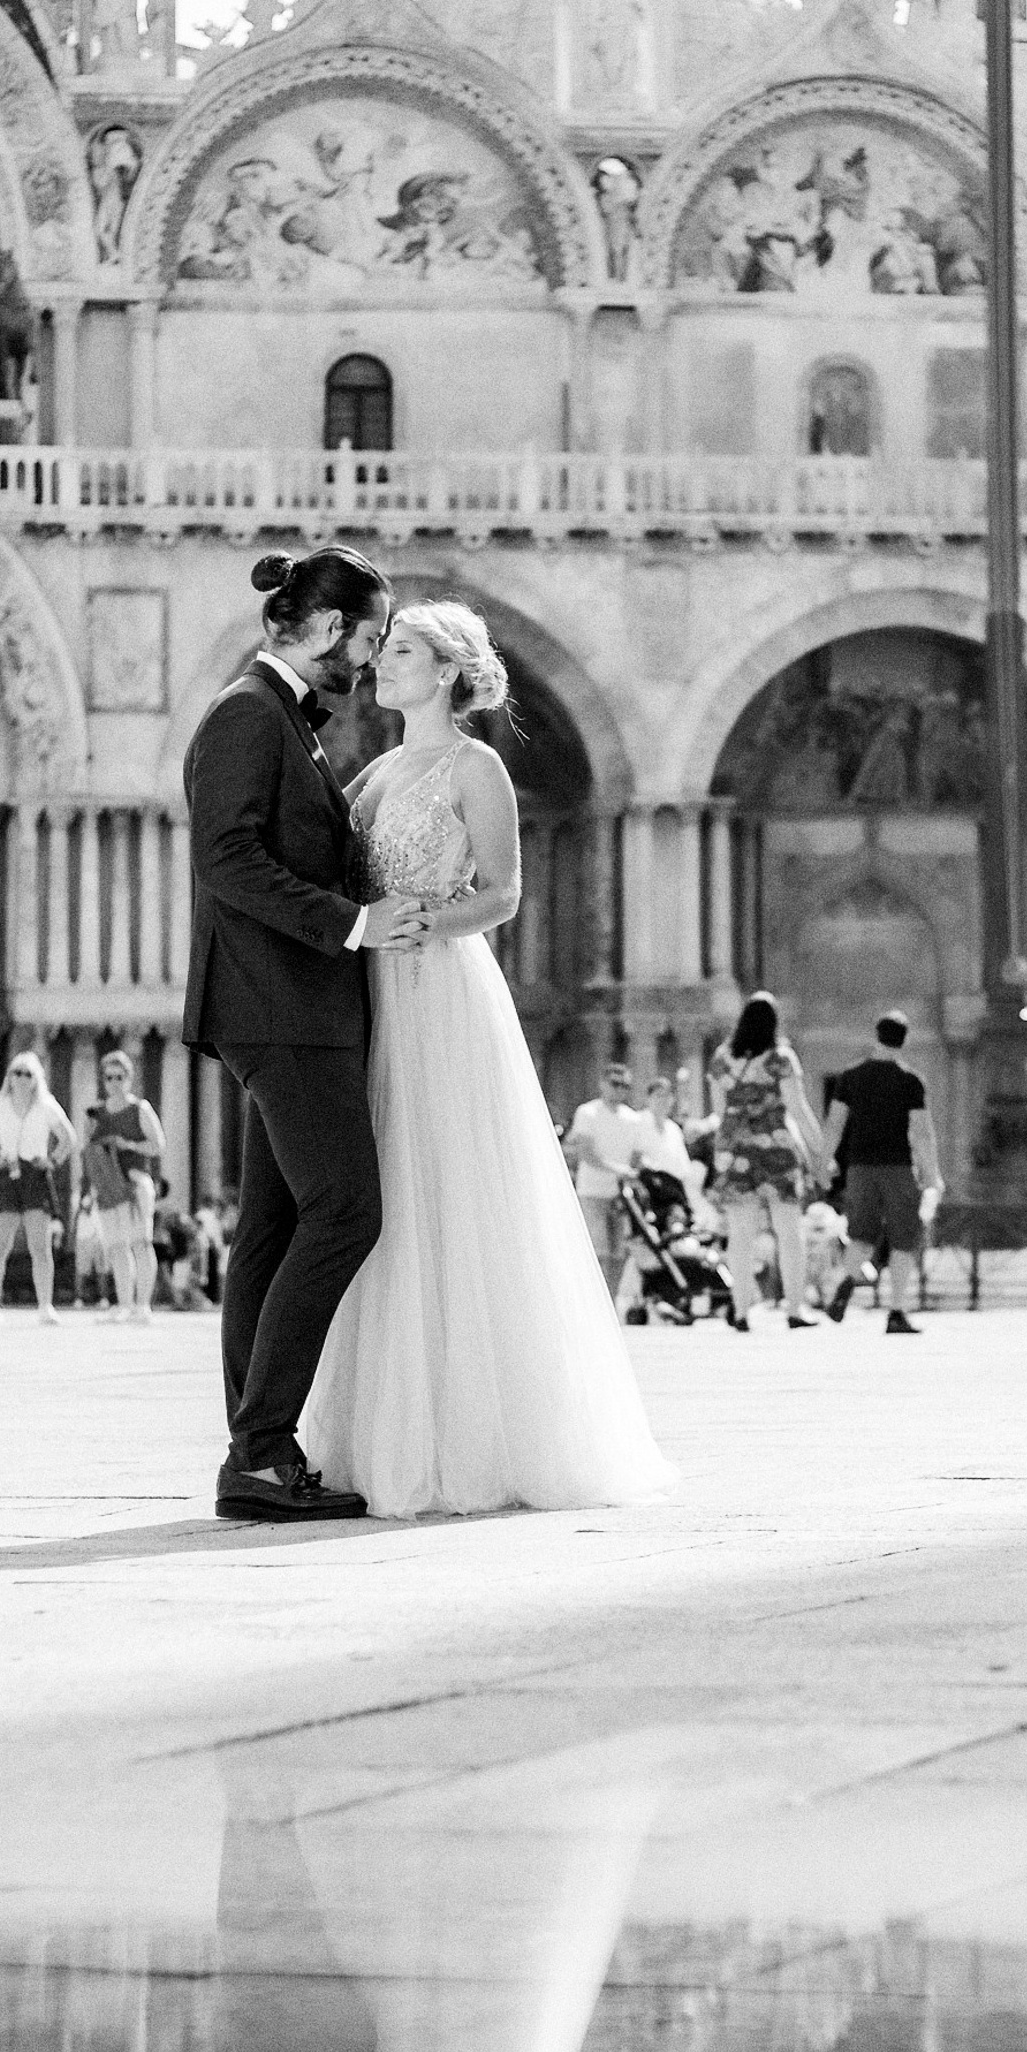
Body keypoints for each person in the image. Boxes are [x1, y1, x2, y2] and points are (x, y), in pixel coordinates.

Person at [302, 603, 672, 1517]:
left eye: (402, 653)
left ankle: (469, 1435)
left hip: (441, 987)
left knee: (449, 1188)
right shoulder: (377, 770)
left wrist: (426, 920)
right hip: (376, 986)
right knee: (383, 1193)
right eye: (385, 652)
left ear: (448, 671)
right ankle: (378, 1427)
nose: (382, 665)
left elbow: (503, 893)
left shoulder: (480, 767)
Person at [181, 546, 428, 1522]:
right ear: (327, 628)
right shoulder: (248, 714)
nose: (366, 664)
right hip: (281, 1006)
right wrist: (350, 922)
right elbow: (226, 857)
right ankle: (264, 1445)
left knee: (274, 1227)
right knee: (347, 1212)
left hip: (282, 1005)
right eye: (366, 641)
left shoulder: (280, 716)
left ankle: (256, 1448)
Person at [818, 1010, 943, 1336]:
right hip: (898, 1169)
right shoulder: (910, 1081)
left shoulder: (850, 1077)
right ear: (903, 1040)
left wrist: (823, 1162)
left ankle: (847, 1279)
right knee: (904, 1239)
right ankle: (897, 1312)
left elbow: (834, 1125)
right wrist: (932, 1174)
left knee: (860, 1235)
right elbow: (921, 1133)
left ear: (877, 1035)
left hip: (859, 1169)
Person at [710, 992, 824, 1330]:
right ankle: (794, 1309)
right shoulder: (781, 1059)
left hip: (735, 1151)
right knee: (789, 1232)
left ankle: (741, 1311)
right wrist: (819, 1151)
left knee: (740, 1236)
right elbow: (798, 1109)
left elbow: (719, 1112)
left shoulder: (721, 1060)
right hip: (775, 1148)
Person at [0, 1051, 76, 1323]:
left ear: (36, 1079)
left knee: (40, 1246)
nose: (21, 1078)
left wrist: (53, 1160)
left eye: (27, 1074)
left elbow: (68, 1137)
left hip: (35, 1172)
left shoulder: (46, 1105)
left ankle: (45, 1305)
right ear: (9, 1077)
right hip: (7, 1172)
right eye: (16, 1072)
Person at [76, 1047, 165, 1320]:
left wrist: (128, 1144)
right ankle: (125, 1304)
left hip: (135, 1182)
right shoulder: (96, 1113)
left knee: (140, 1242)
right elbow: (88, 1151)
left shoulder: (140, 1108)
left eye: (119, 1077)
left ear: (129, 1078)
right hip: (108, 1185)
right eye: (109, 1077)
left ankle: (142, 1305)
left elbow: (158, 1146)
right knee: (115, 1246)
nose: (114, 1082)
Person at [564, 1059, 649, 1300]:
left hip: (620, 1195)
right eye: (615, 1083)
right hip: (592, 1192)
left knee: (619, 1254)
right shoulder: (588, 1112)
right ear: (602, 1084)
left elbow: (637, 1154)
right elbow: (586, 1153)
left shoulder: (632, 1118)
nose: (620, 1089)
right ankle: (591, 1304)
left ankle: (610, 1304)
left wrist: (630, 1174)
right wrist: (620, 1170)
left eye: (625, 1085)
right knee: (597, 1252)